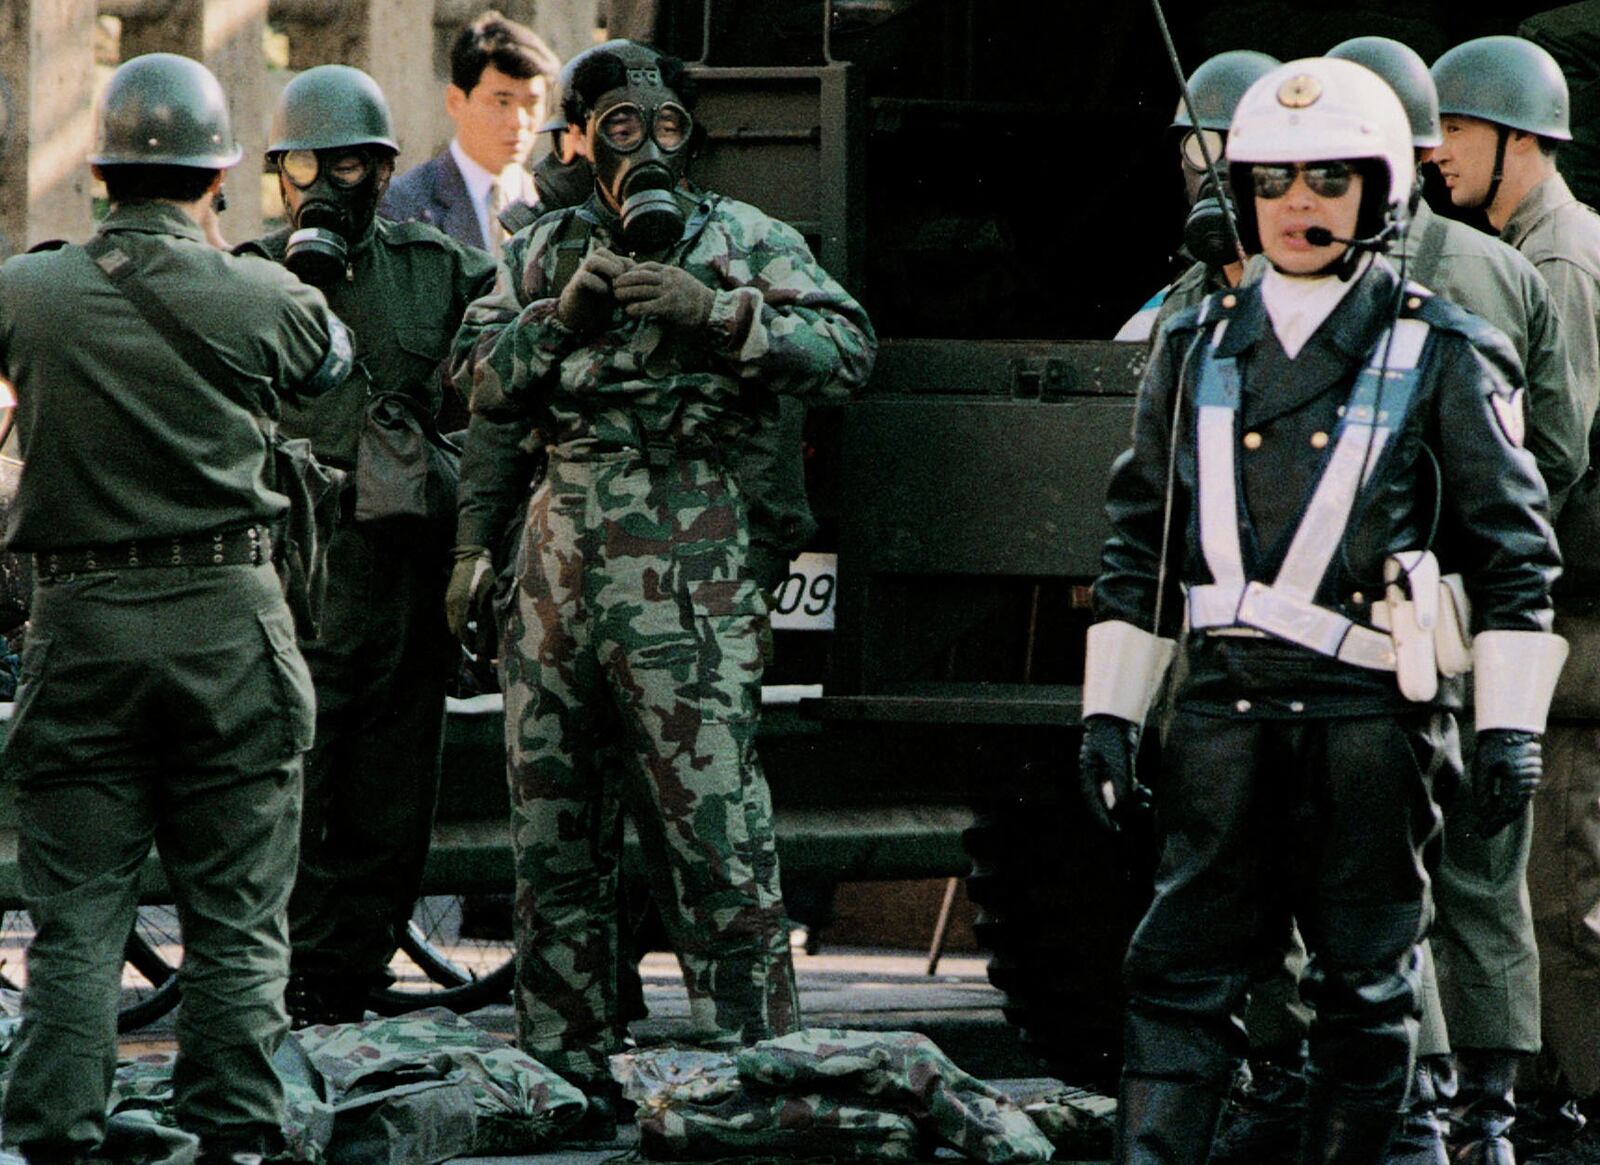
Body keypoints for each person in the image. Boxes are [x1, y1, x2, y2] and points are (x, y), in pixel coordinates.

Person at [1082, 55, 1565, 1165]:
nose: (1298, 205)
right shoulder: (1194, 343)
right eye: (1272, 181)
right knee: (1175, 977)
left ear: (1381, 192)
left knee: (1365, 988)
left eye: (1329, 179)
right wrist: (1109, 712)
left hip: (1365, 725)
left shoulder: (1442, 343)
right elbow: (1136, 548)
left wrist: (1506, 727)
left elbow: (1510, 552)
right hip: (1220, 718)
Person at [450, 38, 876, 1137]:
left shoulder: (742, 238)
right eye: (621, 127)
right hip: (560, 554)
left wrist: (717, 312)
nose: (647, 149)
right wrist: (562, 320)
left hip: (690, 547)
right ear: (582, 136)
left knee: (715, 827)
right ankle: (565, 1069)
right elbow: (478, 382)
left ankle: (764, 1071)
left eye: (668, 127)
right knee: (553, 832)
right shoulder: (541, 246)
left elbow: (846, 347)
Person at [0, 52, 352, 1165]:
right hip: (228, 627)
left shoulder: (25, 292)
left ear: (99, 170)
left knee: (75, 927)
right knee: (240, 919)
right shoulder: (266, 298)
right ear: (217, 178)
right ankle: (236, 1138)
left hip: (81, 628)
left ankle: (53, 1137)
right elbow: (331, 366)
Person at [237, 64, 497, 1028]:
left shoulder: (440, 271)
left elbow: (505, 391)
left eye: (346, 165)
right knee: (289, 783)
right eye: (301, 163)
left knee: (392, 793)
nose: (322, 186)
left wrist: (452, 487)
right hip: (288, 572)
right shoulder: (247, 279)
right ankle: (288, 975)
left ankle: (350, 973)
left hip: (400, 570)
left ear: (384, 174)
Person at [1432, 35, 1600, 1164]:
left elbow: (1556, 457)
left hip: (1572, 613)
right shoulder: (1528, 247)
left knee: (1555, 887)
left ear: (1519, 140)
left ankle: (1575, 1103)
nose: (1434, 153)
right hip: (1556, 602)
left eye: (1453, 131)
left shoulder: (1561, 263)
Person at [1114, 49, 1278, 343]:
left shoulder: (1326, 301)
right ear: (1182, 160)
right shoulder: (1161, 318)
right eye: (1202, 149)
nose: (1222, 171)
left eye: (1247, 151)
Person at [381, 8, 559, 255]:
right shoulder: (402, 204)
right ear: (455, 101)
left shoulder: (551, 206)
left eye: (531, 104)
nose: (518, 121)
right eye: (502, 102)